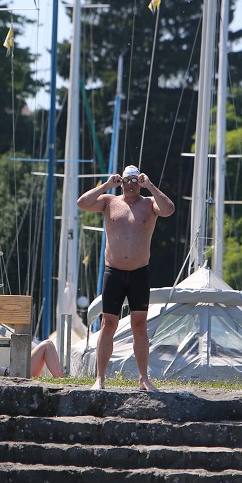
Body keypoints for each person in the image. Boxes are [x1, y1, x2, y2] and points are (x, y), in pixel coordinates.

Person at [77, 164, 174, 391]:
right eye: (126, 180)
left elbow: (169, 209)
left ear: (139, 181)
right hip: (114, 272)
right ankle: (100, 378)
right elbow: (82, 203)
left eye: (134, 180)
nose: (130, 184)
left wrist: (150, 185)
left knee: (139, 326)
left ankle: (143, 378)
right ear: (121, 181)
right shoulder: (110, 201)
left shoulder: (149, 204)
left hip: (139, 273)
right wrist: (107, 185)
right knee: (107, 324)